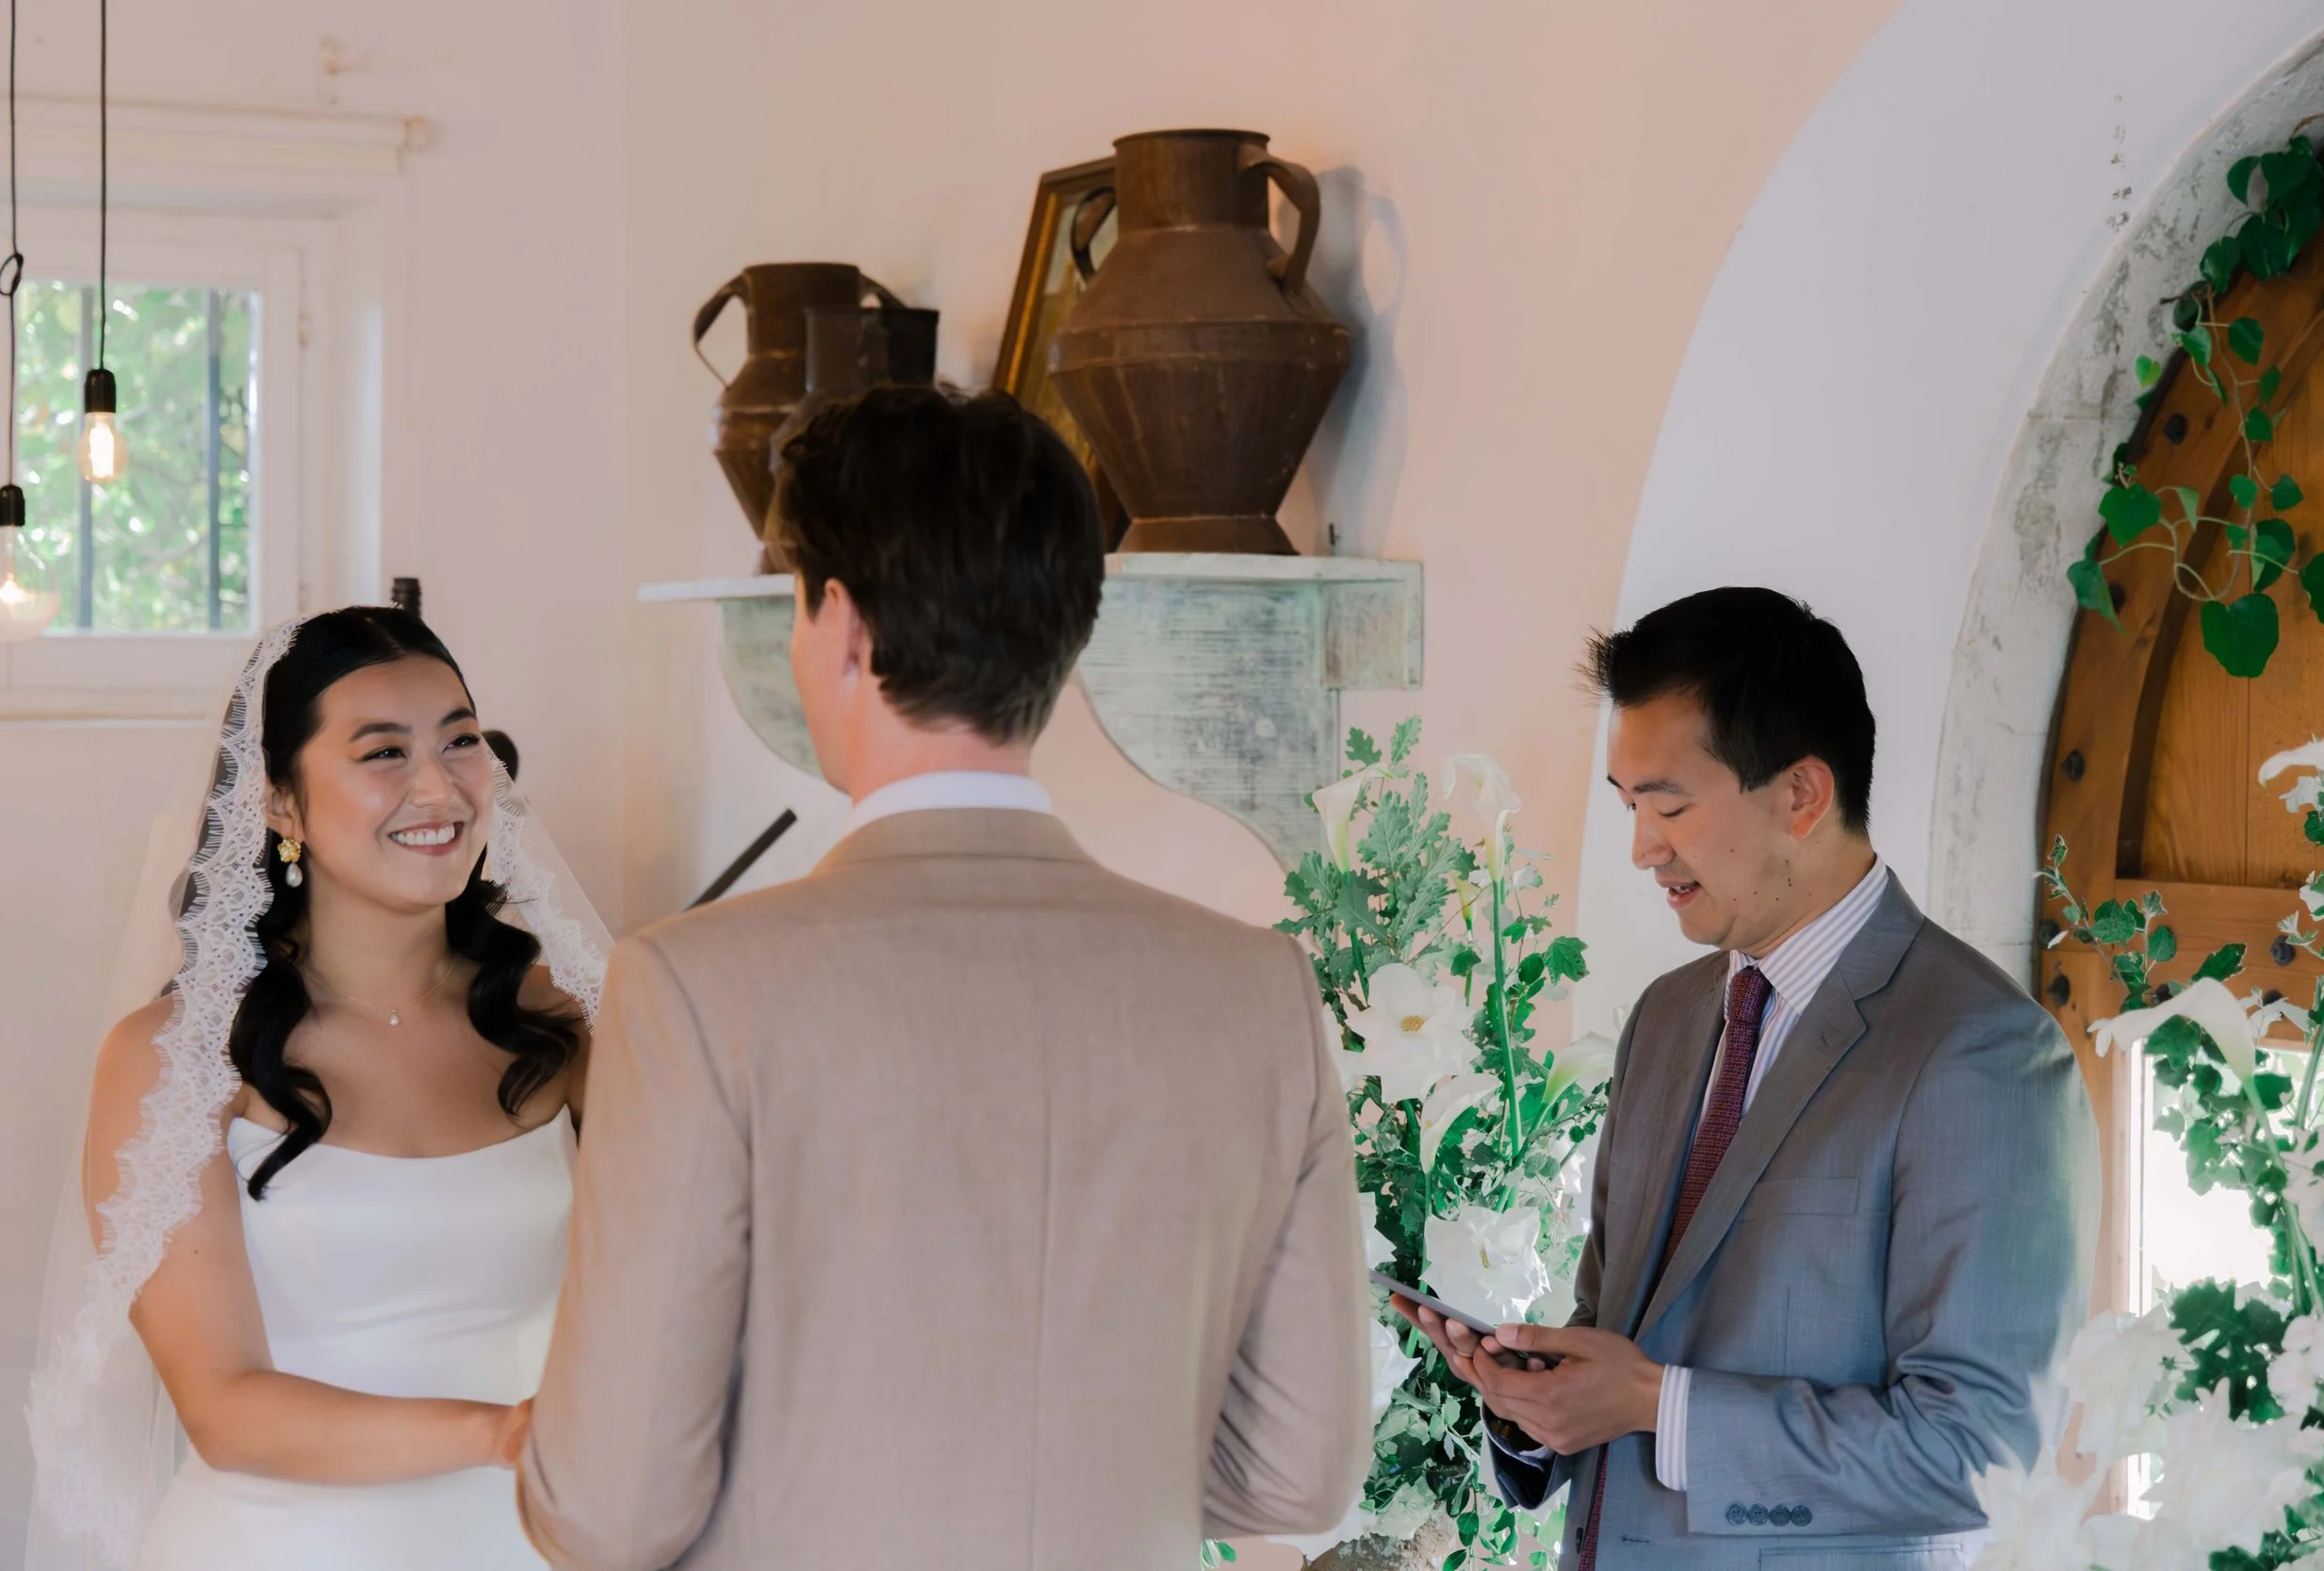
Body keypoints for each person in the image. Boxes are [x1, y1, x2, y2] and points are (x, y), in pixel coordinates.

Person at [514, 385, 1370, 1570]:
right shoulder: (1259, 990)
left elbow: (612, 1512)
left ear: (845, 628)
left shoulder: (695, 988)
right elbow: (1300, 1468)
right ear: (1067, 632)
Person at [1395, 587, 2097, 1570]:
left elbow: (1981, 1451)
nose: (1643, 847)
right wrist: (1537, 1399)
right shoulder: (1668, 1016)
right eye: (1628, 804)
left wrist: (1654, 1401)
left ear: (1801, 795)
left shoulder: (1979, 1052)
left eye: (1669, 804)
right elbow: (1619, 1331)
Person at [25, 607, 610, 1571]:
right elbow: (222, 1403)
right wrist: (503, 1434)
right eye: (383, 751)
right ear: (281, 803)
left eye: (460, 739)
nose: (440, 785)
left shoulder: (567, 1019)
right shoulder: (174, 1058)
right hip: (281, 1544)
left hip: (541, 1538)